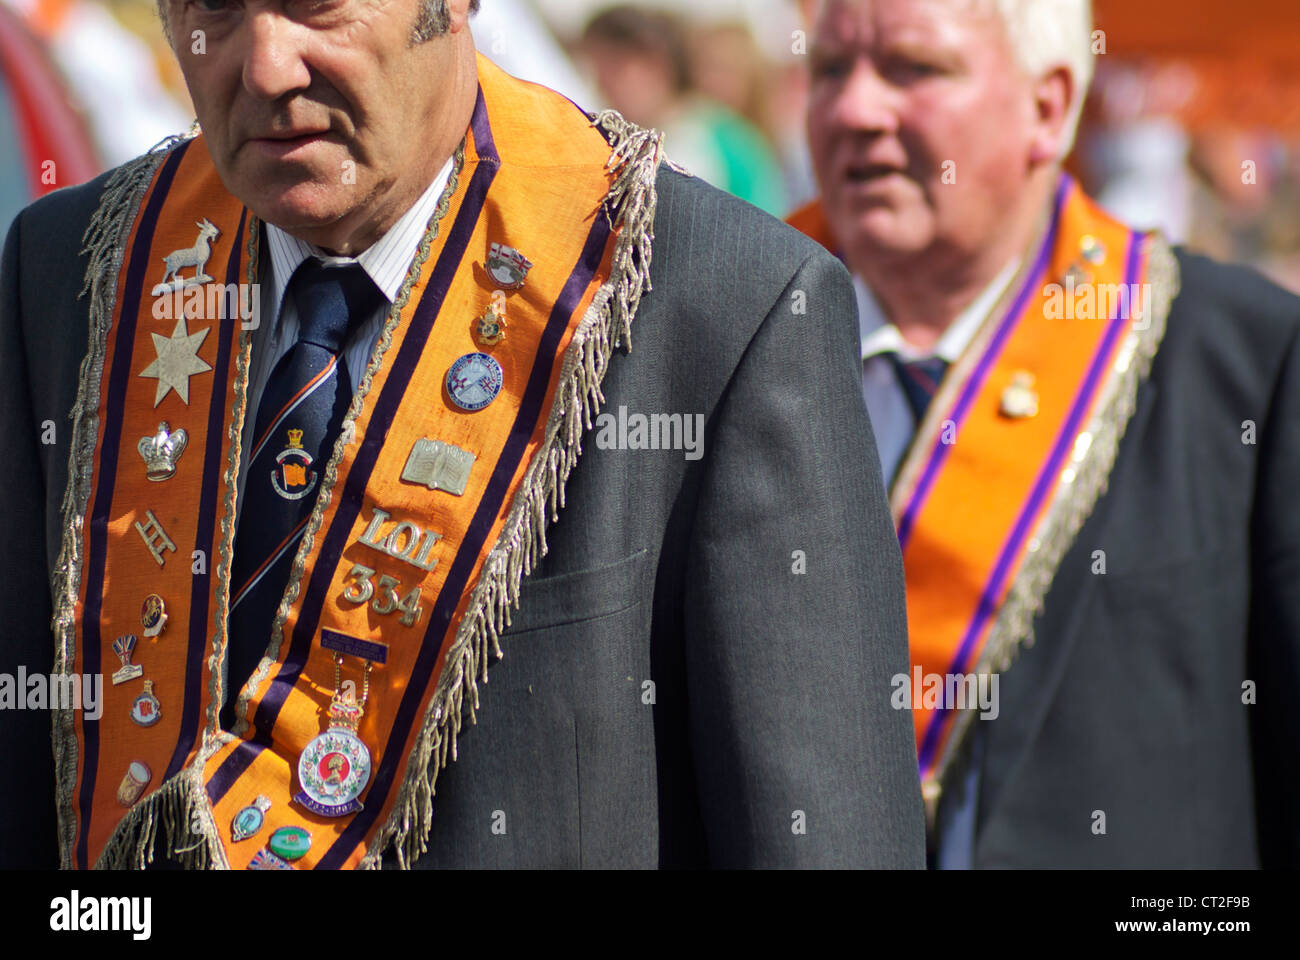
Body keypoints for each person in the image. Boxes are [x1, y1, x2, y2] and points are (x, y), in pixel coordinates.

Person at [0, 0, 923, 868]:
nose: (268, 65)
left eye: (318, 3)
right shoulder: (73, 276)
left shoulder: (721, 307)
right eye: (213, 7)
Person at [791, 0, 1300, 868]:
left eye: (914, 68)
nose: (855, 110)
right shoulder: (728, 338)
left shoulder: (1242, 356)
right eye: (830, 69)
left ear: (1049, 108)